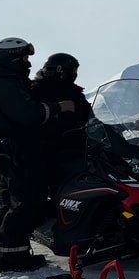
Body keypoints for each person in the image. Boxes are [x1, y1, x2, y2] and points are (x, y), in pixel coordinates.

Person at [0, 37, 76, 273]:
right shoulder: (7, 85)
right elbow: (30, 114)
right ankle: (13, 258)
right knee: (27, 202)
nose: (27, 62)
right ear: (12, 58)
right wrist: (58, 107)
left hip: (7, 147)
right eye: (24, 57)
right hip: (20, 147)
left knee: (8, 202)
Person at [31, 52, 92, 204]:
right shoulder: (37, 90)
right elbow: (32, 116)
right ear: (60, 71)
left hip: (75, 147)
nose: (74, 75)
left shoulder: (74, 92)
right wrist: (58, 110)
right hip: (46, 148)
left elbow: (89, 115)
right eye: (72, 71)